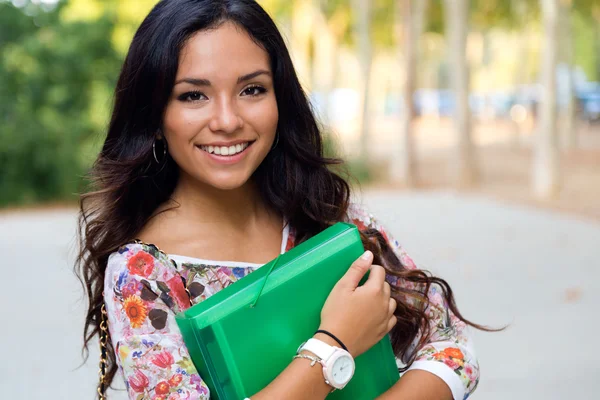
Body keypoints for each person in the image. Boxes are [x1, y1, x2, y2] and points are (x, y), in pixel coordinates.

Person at [76, 1, 487, 399]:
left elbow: (453, 352)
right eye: (193, 96)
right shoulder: (143, 274)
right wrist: (333, 343)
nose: (227, 120)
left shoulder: (328, 218)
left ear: (280, 100)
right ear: (155, 116)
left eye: (252, 89)